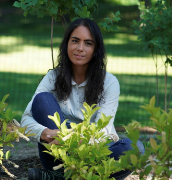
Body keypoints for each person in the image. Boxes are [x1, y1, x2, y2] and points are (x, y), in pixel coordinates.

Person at [21, 18, 145, 180]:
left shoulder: (109, 82)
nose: (80, 48)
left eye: (88, 43)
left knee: (135, 148)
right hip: (57, 156)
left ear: (96, 49)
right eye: (75, 41)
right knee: (42, 100)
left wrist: (72, 139)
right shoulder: (53, 77)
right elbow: (25, 120)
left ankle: (60, 177)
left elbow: (103, 130)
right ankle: (82, 176)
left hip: (94, 153)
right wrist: (46, 133)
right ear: (66, 44)